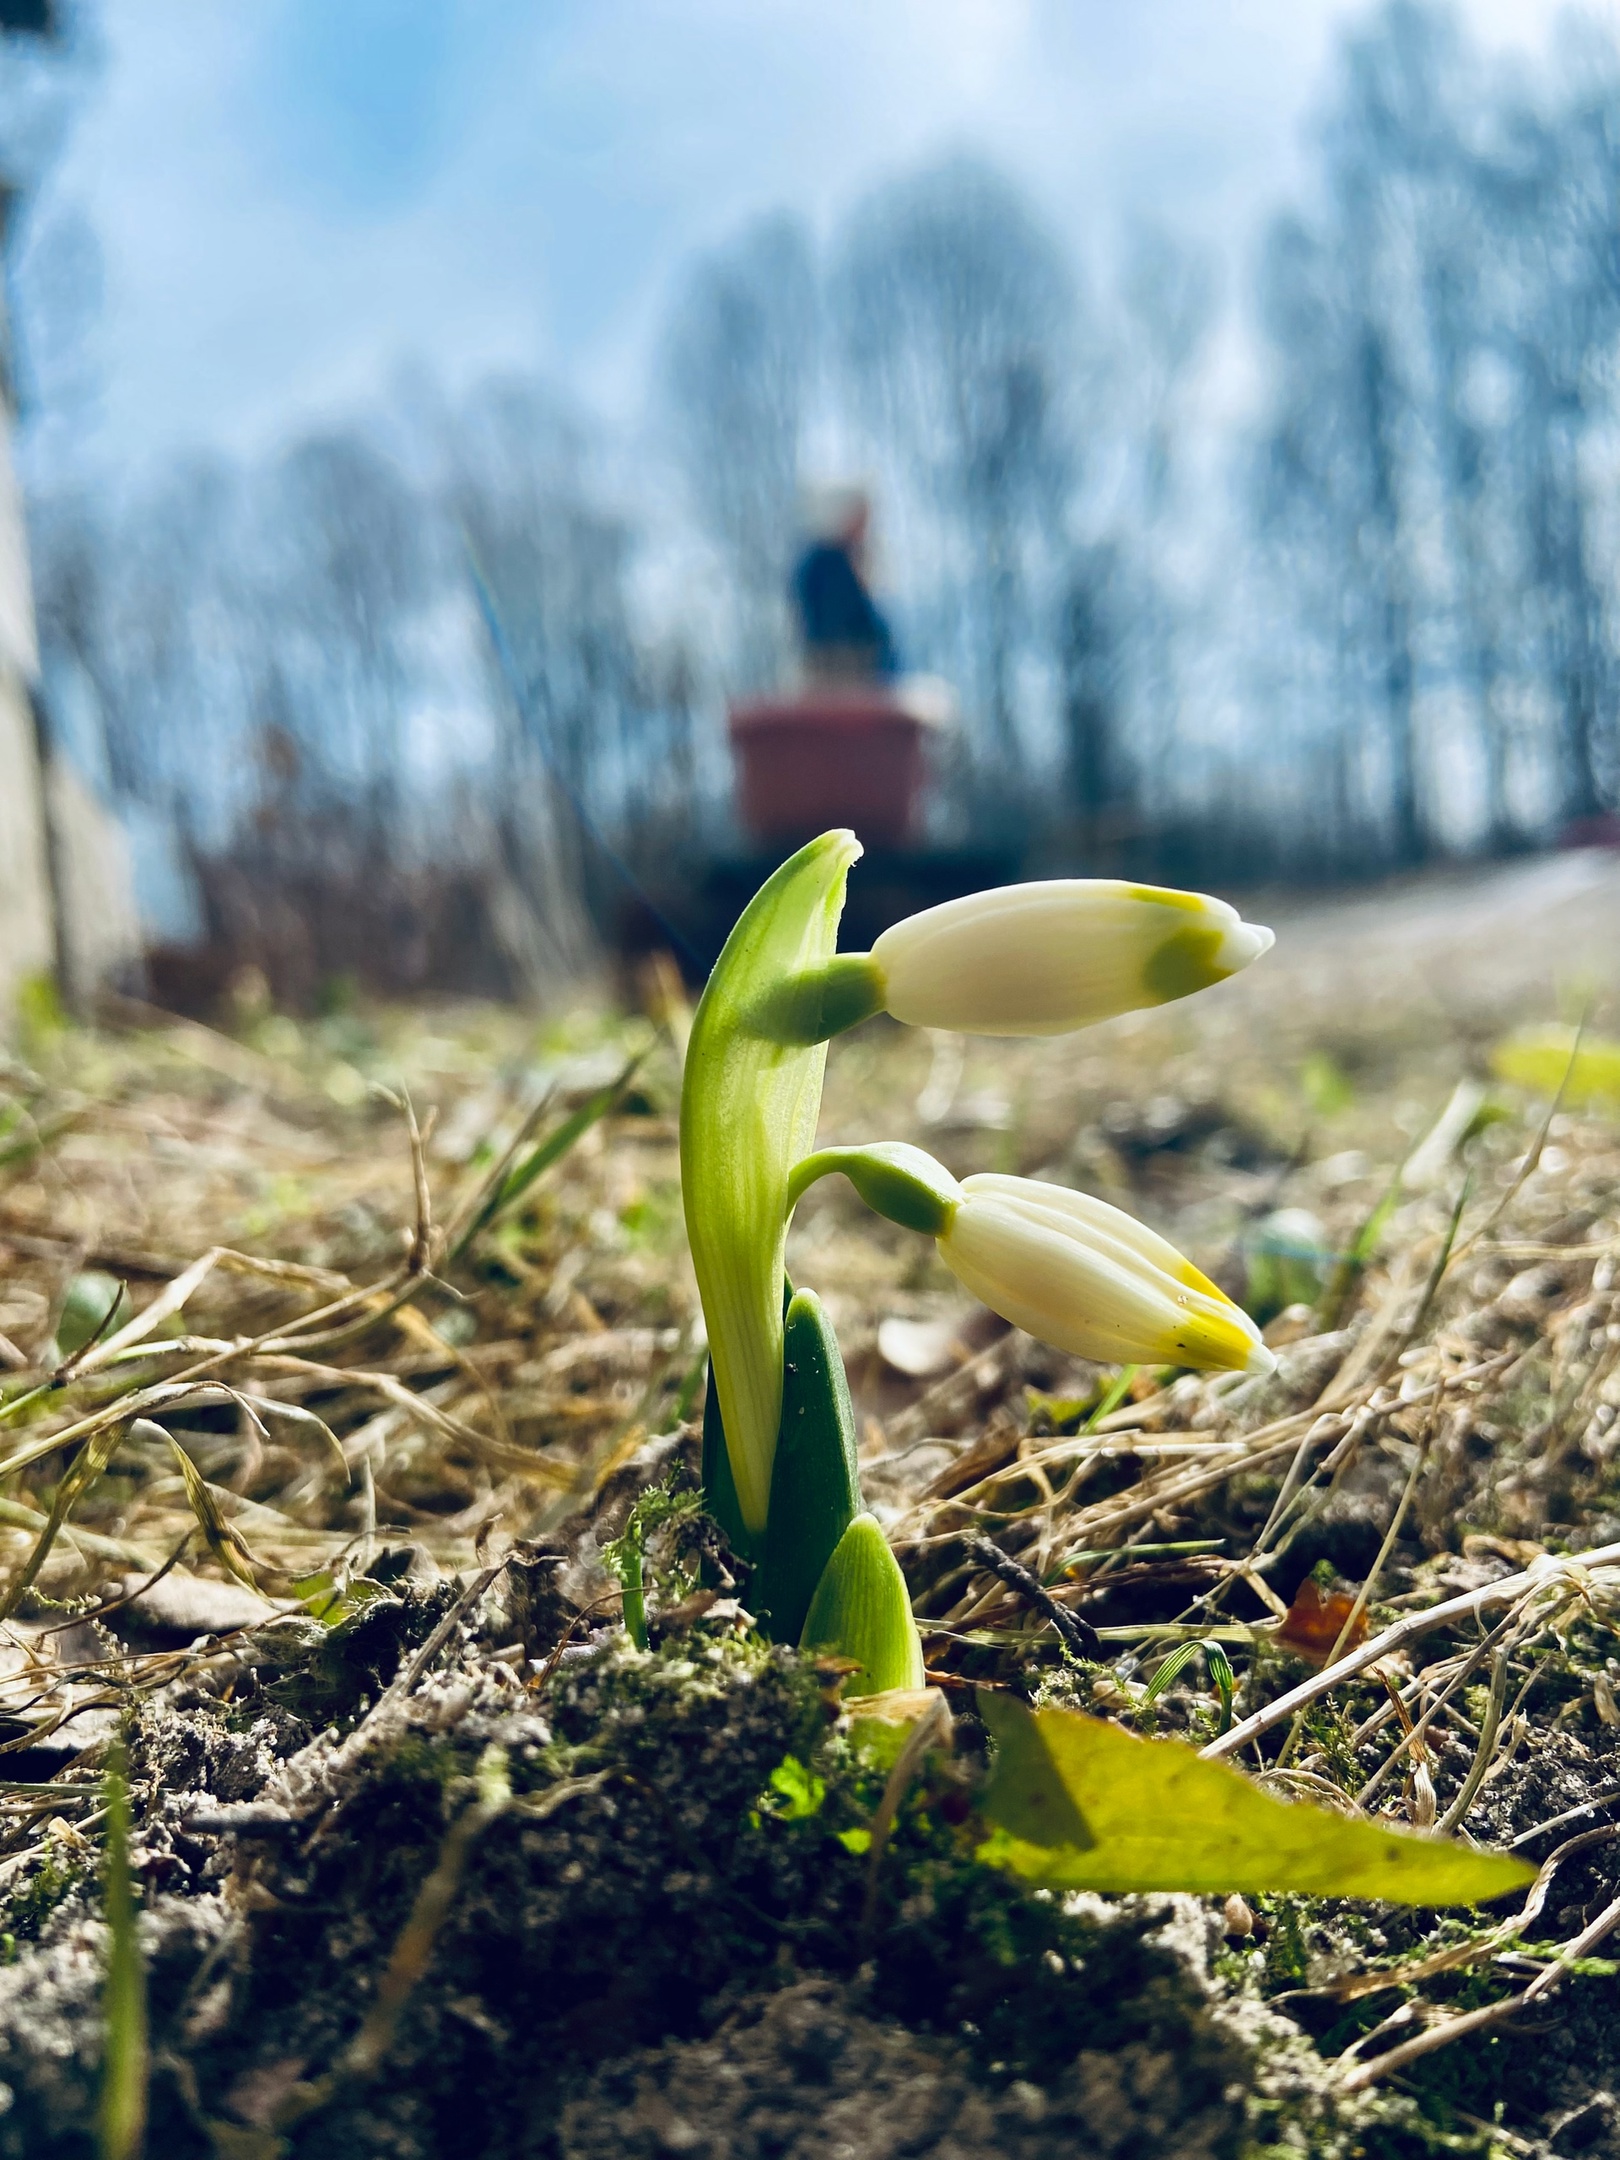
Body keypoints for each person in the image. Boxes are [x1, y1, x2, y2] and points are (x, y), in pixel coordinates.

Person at [791, 487, 899, 680]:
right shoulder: (825, 562)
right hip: (838, 658)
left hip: (858, 655)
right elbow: (834, 614)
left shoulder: (850, 560)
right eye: (862, 519)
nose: (865, 529)